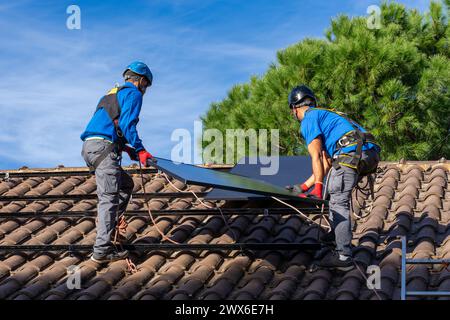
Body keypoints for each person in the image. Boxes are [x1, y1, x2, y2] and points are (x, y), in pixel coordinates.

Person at [287, 85, 381, 270]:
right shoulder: (327, 115)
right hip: (367, 153)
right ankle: (335, 234)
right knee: (333, 186)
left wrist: (318, 192)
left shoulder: (309, 118)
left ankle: (344, 256)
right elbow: (327, 164)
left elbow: (316, 157)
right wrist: (304, 187)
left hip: (350, 153)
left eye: (293, 112)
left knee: (337, 201)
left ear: (295, 108)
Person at [80, 61, 155, 263]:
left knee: (125, 185)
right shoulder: (133, 93)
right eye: (145, 85)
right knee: (108, 199)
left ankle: (110, 228)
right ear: (140, 81)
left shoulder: (111, 94)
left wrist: (126, 148)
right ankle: (102, 250)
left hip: (91, 148)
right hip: (103, 149)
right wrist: (140, 149)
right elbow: (126, 124)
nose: (145, 90)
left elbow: (109, 125)